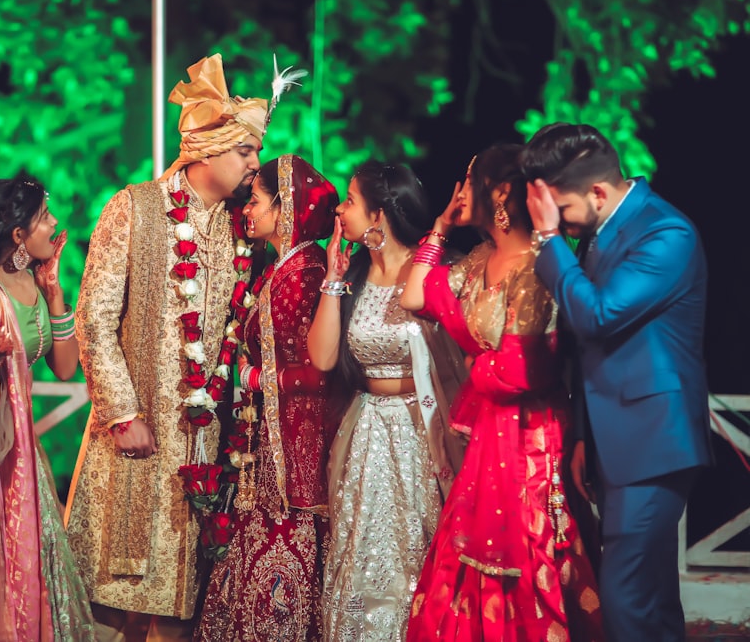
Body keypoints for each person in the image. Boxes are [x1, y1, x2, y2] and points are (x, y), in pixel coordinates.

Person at [64, 54, 269, 640]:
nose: (254, 165)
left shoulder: (243, 227)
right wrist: (121, 412)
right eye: (245, 152)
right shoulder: (132, 207)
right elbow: (95, 318)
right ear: (208, 150)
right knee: (113, 599)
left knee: (187, 607)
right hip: (137, 433)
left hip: (209, 444)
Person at [400, 144, 603, 641]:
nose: (459, 192)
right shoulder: (480, 260)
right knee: (468, 551)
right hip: (491, 429)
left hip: (532, 433)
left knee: (530, 547)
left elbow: (525, 371)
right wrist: (441, 230)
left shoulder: (537, 264)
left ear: (501, 193)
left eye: (469, 183)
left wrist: (476, 363)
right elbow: (415, 296)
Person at [523, 123, 712, 642]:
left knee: (626, 599)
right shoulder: (602, 231)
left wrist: (547, 240)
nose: (558, 225)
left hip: (655, 440)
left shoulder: (666, 233)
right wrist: (584, 434)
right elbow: (593, 352)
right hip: (615, 439)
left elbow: (598, 317)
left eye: (560, 211)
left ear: (599, 192)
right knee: (647, 600)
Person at [307, 161, 467, 641]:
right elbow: (322, 356)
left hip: (424, 430)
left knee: (418, 544)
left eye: (350, 201)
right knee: (362, 546)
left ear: (379, 214)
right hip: (367, 431)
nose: (340, 209)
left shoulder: (435, 268)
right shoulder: (351, 276)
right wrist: (334, 279)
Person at [0, 177, 95, 640]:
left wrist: (54, 294)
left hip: (22, 444)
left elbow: (67, 368)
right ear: (17, 235)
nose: (54, 224)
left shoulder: (32, 279)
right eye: (44, 217)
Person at [195, 155, 338, 641]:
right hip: (266, 444)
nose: (246, 212)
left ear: (287, 207)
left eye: (255, 202)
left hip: (293, 449)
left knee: (286, 553)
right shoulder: (281, 267)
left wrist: (256, 378)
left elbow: (321, 371)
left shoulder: (305, 272)